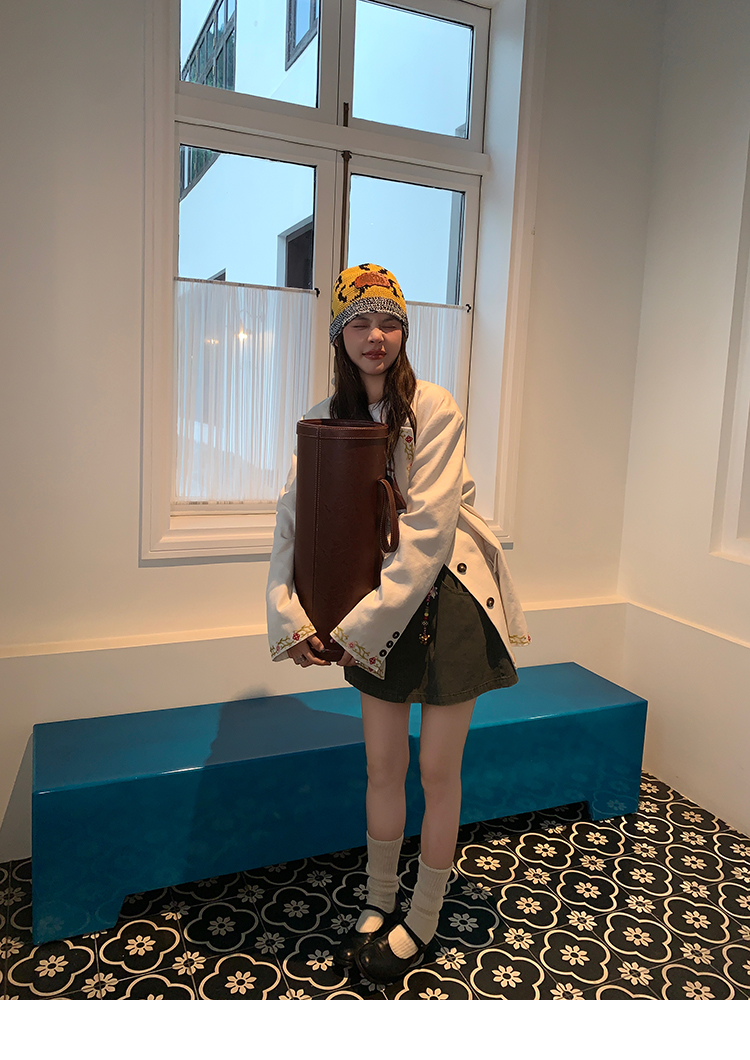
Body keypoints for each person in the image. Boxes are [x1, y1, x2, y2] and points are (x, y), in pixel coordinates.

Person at [266, 263, 530, 984]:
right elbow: (294, 520)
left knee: (437, 770)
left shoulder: (433, 407)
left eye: (389, 322)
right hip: (372, 606)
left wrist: (353, 630)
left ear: (404, 332)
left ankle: (425, 915)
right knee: (382, 765)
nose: (375, 336)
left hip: (444, 600)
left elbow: (428, 535)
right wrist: (293, 617)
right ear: (339, 334)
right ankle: (379, 899)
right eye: (359, 321)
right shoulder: (325, 415)